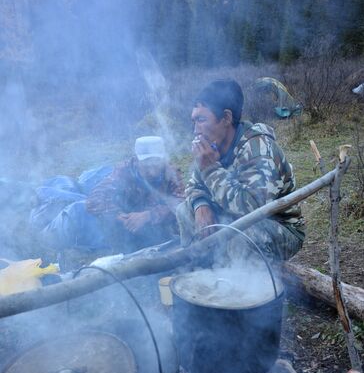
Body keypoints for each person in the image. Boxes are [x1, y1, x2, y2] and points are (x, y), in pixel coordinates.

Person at [177, 79, 305, 262]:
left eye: (201, 119)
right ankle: (200, 270)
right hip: (233, 218)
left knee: (243, 235)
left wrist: (210, 169)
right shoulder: (213, 143)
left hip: (278, 227)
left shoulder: (259, 149)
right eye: (193, 120)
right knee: (185, 210)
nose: (195, 130)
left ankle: (249, 286)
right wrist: (200, 204)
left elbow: (251, 209)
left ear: (226, 118)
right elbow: (194, 185)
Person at [31, 136, 184, 255]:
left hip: (152, 226)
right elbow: (95, 199)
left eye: (156, 161)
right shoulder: (125, 171)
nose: (152, 168)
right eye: (147, 162)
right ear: (137, 160)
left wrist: (148, 215)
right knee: (78, 207)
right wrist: (121, 217)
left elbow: (181, 205)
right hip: (125, 222)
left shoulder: (171, 175)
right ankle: (43, 230)